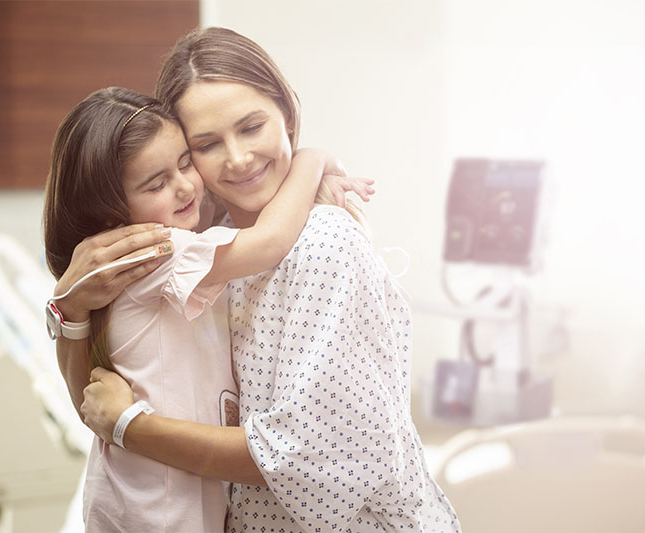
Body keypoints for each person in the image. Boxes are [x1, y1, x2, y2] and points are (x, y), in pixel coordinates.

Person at [59, 27, 461, 532]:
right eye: (205, 145)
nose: (238, 158)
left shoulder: (322, 244)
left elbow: (306, 462)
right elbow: (94, 400)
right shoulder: (213, 248)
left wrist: (131, 429)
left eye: (251, 127)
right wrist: (67, 308)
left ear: (287, 115)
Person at [43, 86, 372, 532]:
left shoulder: (126, 259)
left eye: (185, 163)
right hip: (160, 509)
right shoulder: (159, 249)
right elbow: (269, 243)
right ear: (112, 213)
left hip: (135, 497)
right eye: (157, 183)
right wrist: (311, 161)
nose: (185, 186)